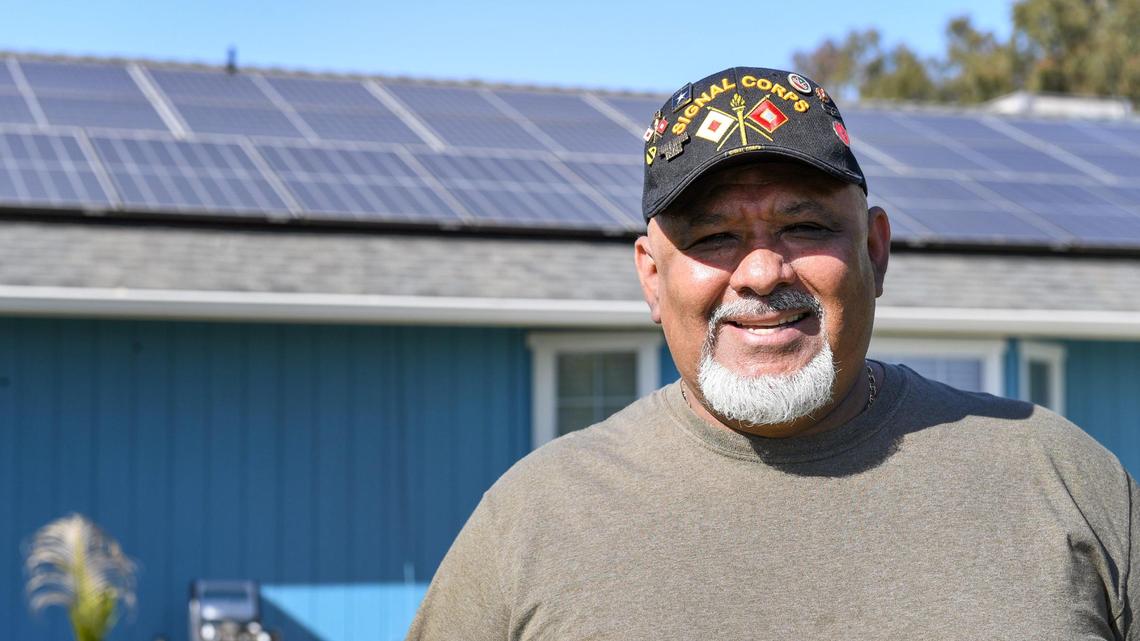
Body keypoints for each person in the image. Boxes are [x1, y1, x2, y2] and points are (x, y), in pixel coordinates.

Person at [406, 67, 1140, 639]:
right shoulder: (531, 521)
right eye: (714, 236)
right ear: (652, 278)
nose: (761, 272)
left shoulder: (1061, 476)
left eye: (804, 224)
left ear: (875, 252)